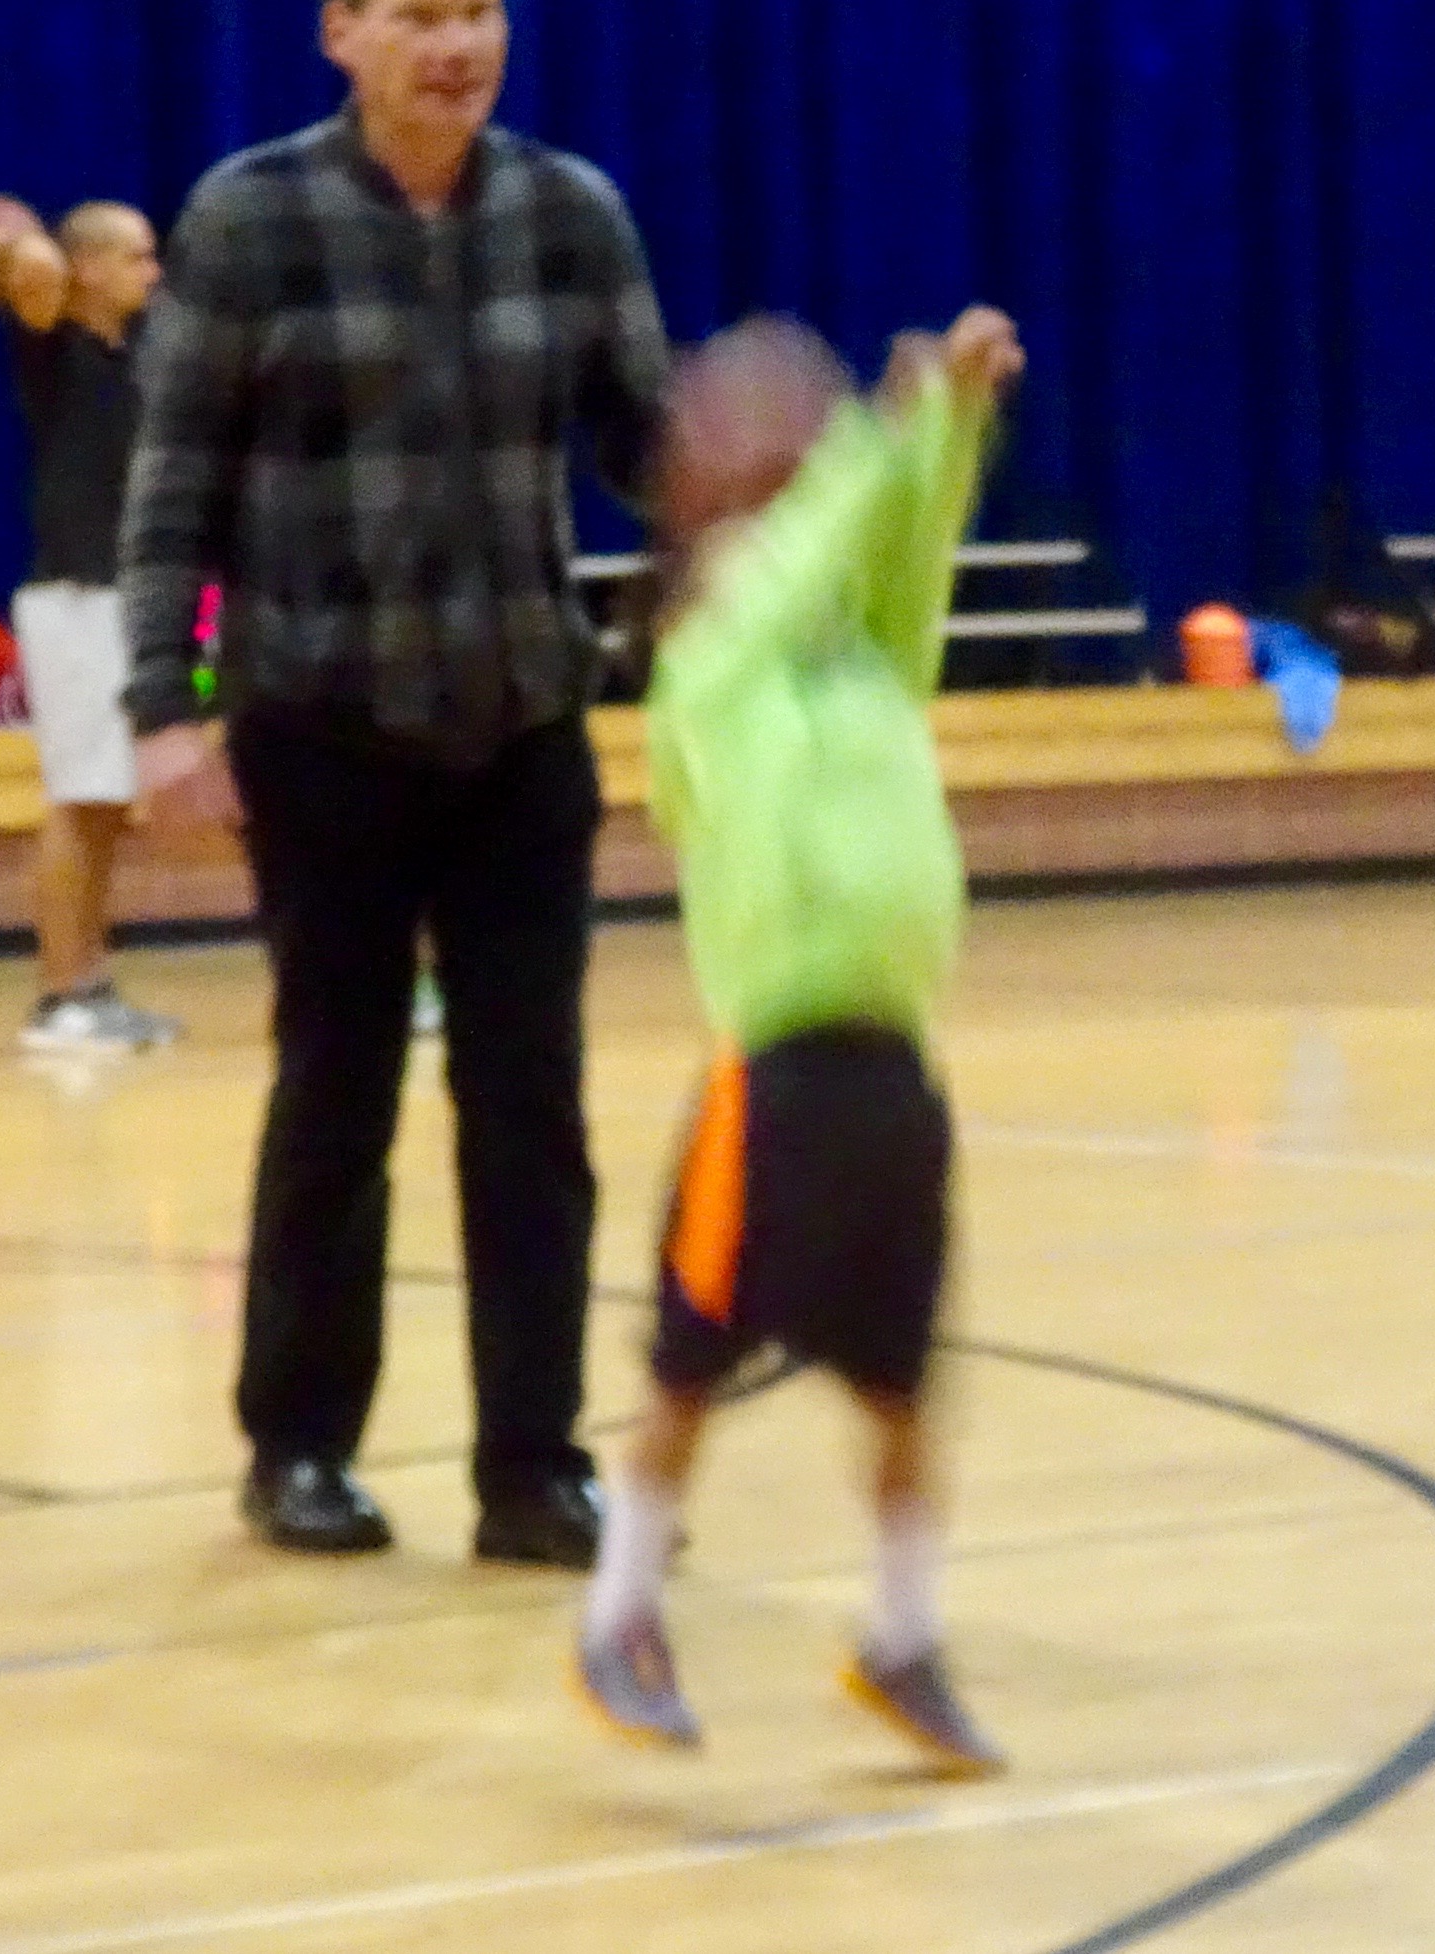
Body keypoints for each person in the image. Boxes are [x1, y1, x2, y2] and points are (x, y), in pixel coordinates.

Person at [122, 0, 675, 1566]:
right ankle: (298, 1445)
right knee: (335, 1094)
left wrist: (777, 463)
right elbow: (175, 489)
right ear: (341, 32)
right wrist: (167, 707)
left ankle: (533, 1467)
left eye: (478, 12)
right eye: (421, 15)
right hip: (321, 726)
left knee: (532, 1107)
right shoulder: (250, 217)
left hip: (520, 729)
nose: (457, 45)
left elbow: (647, 450)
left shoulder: (569, 212)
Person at [575, 304, 1022, 1775]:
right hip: (769, 1078)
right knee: (688, 1369)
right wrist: (880, 437)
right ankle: (620, 1613)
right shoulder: (709, 663)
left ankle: (903, 1638)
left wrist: (947, 429)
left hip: (892, 1067)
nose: (787, 478)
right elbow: (818, 549)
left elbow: (905, 559)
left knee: (901, 1381)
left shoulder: (859, 659)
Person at [0, 199, 183, 1052]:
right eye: (135, 257)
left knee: (111, 805)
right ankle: (60, 998)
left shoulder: (138, 356)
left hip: (142, 602)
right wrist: (15, 243)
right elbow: (35, 270)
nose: (153, 274)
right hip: (80, 604)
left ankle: (92, 982)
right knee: (82, 798)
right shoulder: (51, 341)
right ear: (86, 268)